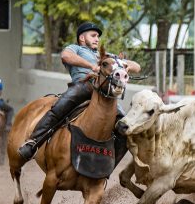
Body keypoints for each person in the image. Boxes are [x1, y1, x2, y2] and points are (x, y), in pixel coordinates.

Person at [17, 22, 141, 161]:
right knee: (59, 108)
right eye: (93, 36)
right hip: (83, 87)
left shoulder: (107, 57)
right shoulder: (75, 48)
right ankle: (32, 142)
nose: (97, 39)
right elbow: (66, 56)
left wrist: (125, 67)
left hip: (104, 93)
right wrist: (92, 66)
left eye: (98, 37)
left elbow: (137, 66)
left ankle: (110, 164)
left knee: (124, 127)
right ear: (82, 38)